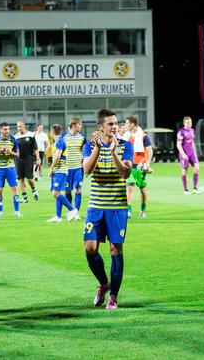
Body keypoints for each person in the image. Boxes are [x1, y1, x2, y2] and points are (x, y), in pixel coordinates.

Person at [83, 108, 133, 310]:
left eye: (116, 123)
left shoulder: (125, 146)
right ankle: (104, 284)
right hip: (95, 207)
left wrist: (113, 153)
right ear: (100, 127)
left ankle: (113, 296)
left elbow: (126, 173)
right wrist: (97, 148)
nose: (115, 126)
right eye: (110, 124)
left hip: (117, 207)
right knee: (90, 248)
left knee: (115, 249)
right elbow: (87, 170)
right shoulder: (89, 146)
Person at [123, 116, 153, 219]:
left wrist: (147, 164)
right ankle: (129, 211)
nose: (126, 125)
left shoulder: (143, 136)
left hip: (140, 167)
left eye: (127, 123)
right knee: (129, 188)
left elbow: (149, 150)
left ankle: (143, 210)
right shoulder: (125, 136)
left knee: (142, 190)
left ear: (132, 124)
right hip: (129, 166)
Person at [48, 124, 79, 222]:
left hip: (60, 170)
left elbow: (57, 157)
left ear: (52, 131)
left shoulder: (60, 141)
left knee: (55, 193)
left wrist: (51, 168)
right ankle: (58, 216)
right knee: (58, 192)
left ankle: (72, 209)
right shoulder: (58, 141)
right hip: (58, 170)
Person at [0, 123, 21, 218]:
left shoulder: (13, 139)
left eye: (8, 129)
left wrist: (10, 152)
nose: (7, 131)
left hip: (10, 167)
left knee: (14, 189)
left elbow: (18, 155)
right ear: (0, 130)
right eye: (5, 129)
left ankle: (17, 211)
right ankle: (0, 212)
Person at [63, 118, 86, 212]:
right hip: (66, 169)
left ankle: (76, 211)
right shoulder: (63, 137)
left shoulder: (82, 137)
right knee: (67, 190)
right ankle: (71, 210)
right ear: (73, 125)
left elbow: (85, 152)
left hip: (78, 168)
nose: (81, 126)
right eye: (80, 124)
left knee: (78, 189)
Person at [14, 121, 40, 203]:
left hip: (28, 159)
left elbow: (35, 148)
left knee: (29, 179)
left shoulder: (31, 135)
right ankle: (24, 197)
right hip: (18, 160)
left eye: (20, 126)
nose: (19, 128)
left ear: (24, 126)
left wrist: (38, 158)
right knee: (20, 179)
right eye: (18, 127)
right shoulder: (15, 137)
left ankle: (34, 190)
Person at [177, 116, 200, 194]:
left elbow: (192, 142)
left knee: (196, 168)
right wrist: (183, 154)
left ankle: (195, 188)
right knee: (184, 171)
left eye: (190, 122)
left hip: (192, 153)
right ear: (184, 123)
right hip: (185, 154)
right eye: (187, 122)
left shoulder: (192, 130)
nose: (189, 124)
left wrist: (195, 153)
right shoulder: (181, 132)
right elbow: (178, 144)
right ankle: (185, 189)